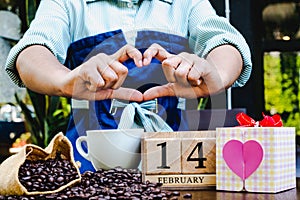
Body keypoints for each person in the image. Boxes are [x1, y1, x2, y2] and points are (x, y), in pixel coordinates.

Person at [5, 0, 252, 172]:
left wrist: (215, 74)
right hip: (88, 165)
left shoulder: (185, 3)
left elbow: (225, 42)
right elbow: (31, 52)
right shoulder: (68, 2)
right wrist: (65, 80)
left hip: (178, 168)